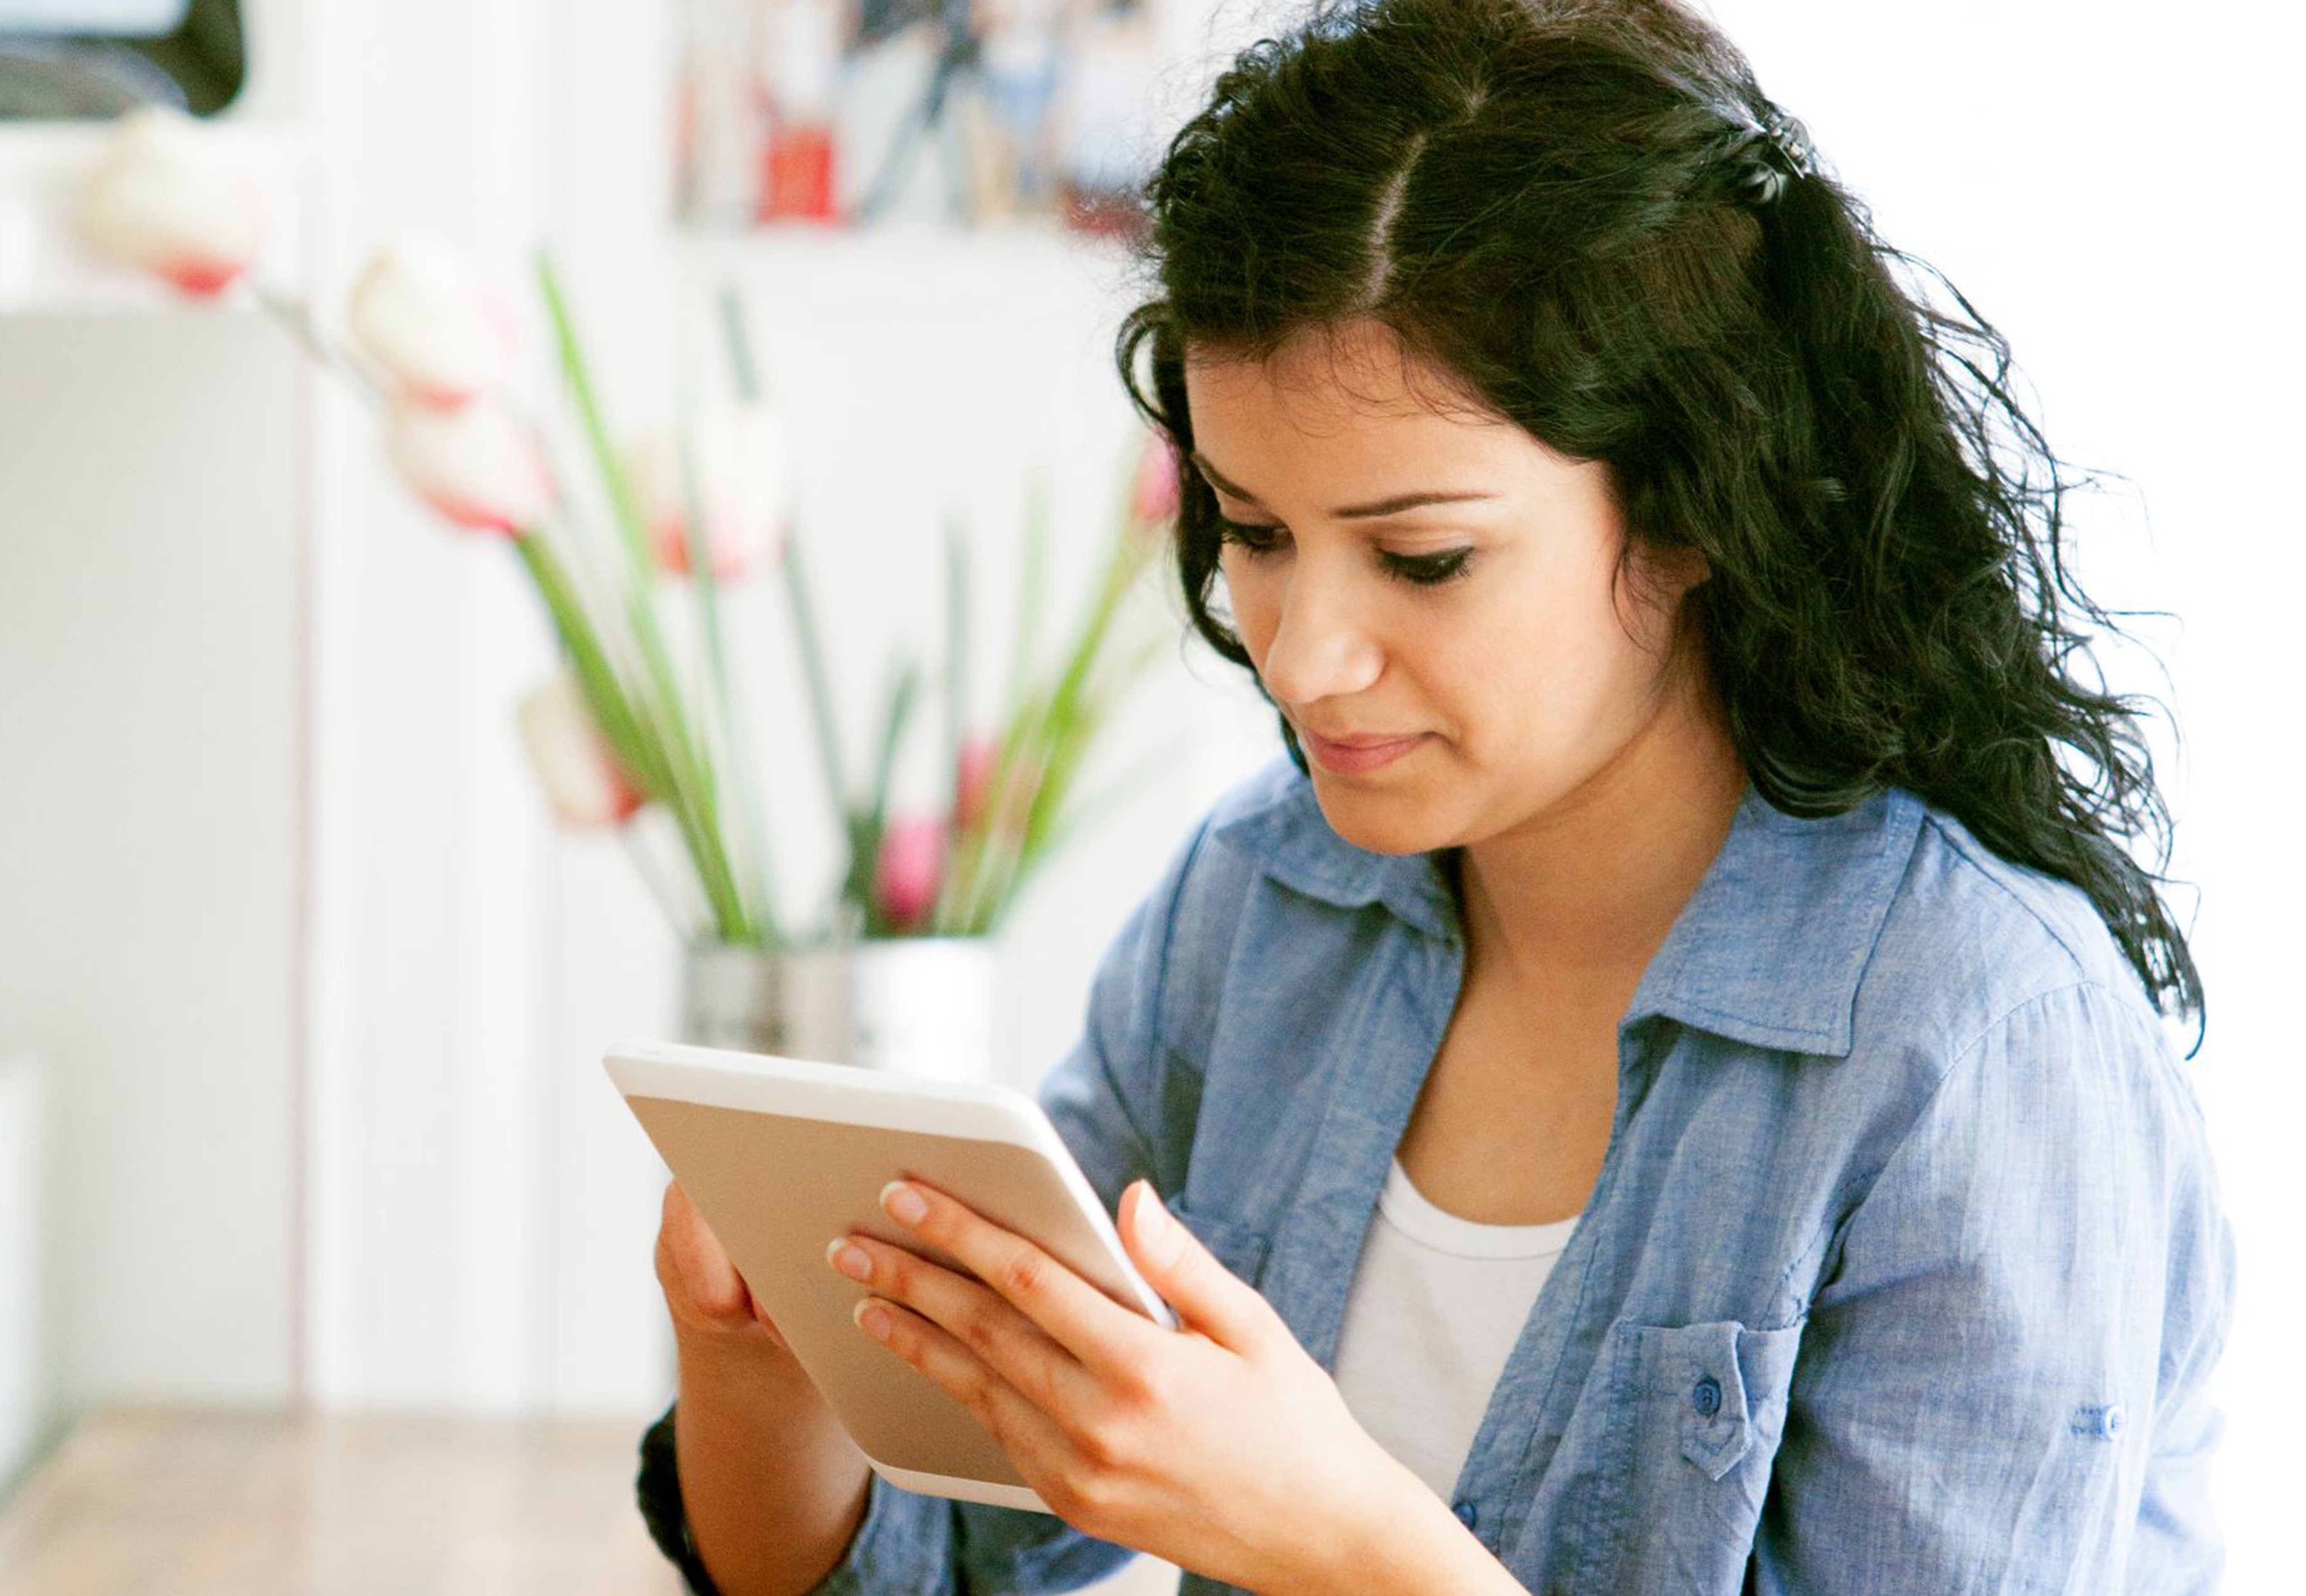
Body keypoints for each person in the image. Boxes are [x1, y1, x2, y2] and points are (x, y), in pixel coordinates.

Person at [632, 0, 2238, 1590]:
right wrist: (763, 1361)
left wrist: (1335, 1540)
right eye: (1251, 531)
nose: (1303, 657)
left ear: (1691, 503)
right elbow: (929, 1559)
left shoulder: (1974, 1047)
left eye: (1421, 558)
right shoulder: (1266, 900)